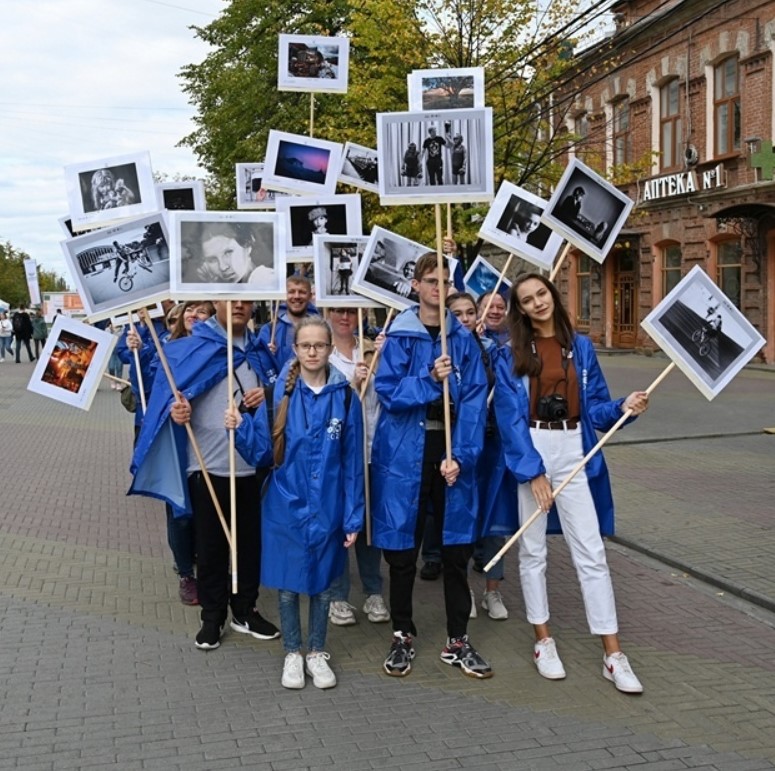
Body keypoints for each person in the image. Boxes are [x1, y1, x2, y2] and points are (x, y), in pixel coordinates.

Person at [493, 272, 649, 693]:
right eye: (527, 300)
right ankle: (543, 641)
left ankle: (613, 654)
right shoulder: (509, 354)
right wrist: (532, 471)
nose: (537, 303)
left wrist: (625, 407)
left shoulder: (579, 346)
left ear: (552, 295)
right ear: (520, 310)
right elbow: (508, 418)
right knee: (533, 550)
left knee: (592, 552)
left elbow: (597, 408)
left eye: (541, 293)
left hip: (574, 448)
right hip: (533, 447)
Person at [130, 300, 280, 650]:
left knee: (248, 545)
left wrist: (268, 395)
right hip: (207, 463)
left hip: (250, 463)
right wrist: (176, 410)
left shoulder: (260, 350)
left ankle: (245, 609)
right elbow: (167, 394)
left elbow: (283, 402)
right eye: (232, 300)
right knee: (210, 546)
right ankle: (212, 617)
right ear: (217, 303)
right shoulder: (194, 347)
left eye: (245, 300)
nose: (240, 305)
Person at [371, 252, 492, 679]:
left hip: (450, 446)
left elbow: (476, 401)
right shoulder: (401, 334)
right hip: (406, 450)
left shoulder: (461, 339)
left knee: (456, 546)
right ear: (417, 285)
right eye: (431, 281)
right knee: (403, 547)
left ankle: (457, 638)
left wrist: (463, 454)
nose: (438, 288)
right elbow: (388, 391)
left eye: (446, 281)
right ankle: (402, 632)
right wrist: (429, 379)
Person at [228, 316, 364, 689]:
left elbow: (352, 463)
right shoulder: (277, 396)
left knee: (323, 584)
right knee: (287, 586)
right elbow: (260, 453)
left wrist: (353, 516)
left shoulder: (346, 396)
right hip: (285, 505)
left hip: (329, 505)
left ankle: (317, 651)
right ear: (295, 349)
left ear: (330, 349)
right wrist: (239, 427)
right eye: (305, 345)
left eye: (319, 345)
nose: (312, 351)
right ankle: (292, 652)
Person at [446, 292, 510, 621]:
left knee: (493, 519)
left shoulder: (492, 351)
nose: (465, 319)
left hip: (490, 444)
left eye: (470, 312)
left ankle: (492, 590)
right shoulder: (444, 353)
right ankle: (465, 590)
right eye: (456, 313)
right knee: (462, 521)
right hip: (457, 447)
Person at [326, 307, 390, 627]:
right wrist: (351, 385)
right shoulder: (323, 354)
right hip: (338, 457)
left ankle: (373, 591)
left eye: (351, 311)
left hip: (372, 453)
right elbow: (320, 403)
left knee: (368, 527)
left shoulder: (373, 350)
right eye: (338, 311)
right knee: (340, 526)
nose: (345, 317)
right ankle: (338, 596)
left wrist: (384, 359)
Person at [256, 275, 318, 382]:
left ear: (310, 296)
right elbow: (261, 365)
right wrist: (269, 356)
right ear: (284, 295)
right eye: (291, 292)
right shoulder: (269, 330)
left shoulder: (320, 329)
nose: (297, 296)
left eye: (302, 292)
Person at [183, 222, 275, 287]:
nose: (223, 267)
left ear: (248, 243)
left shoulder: (264, 279)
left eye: (228, 252)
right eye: (212, 260)